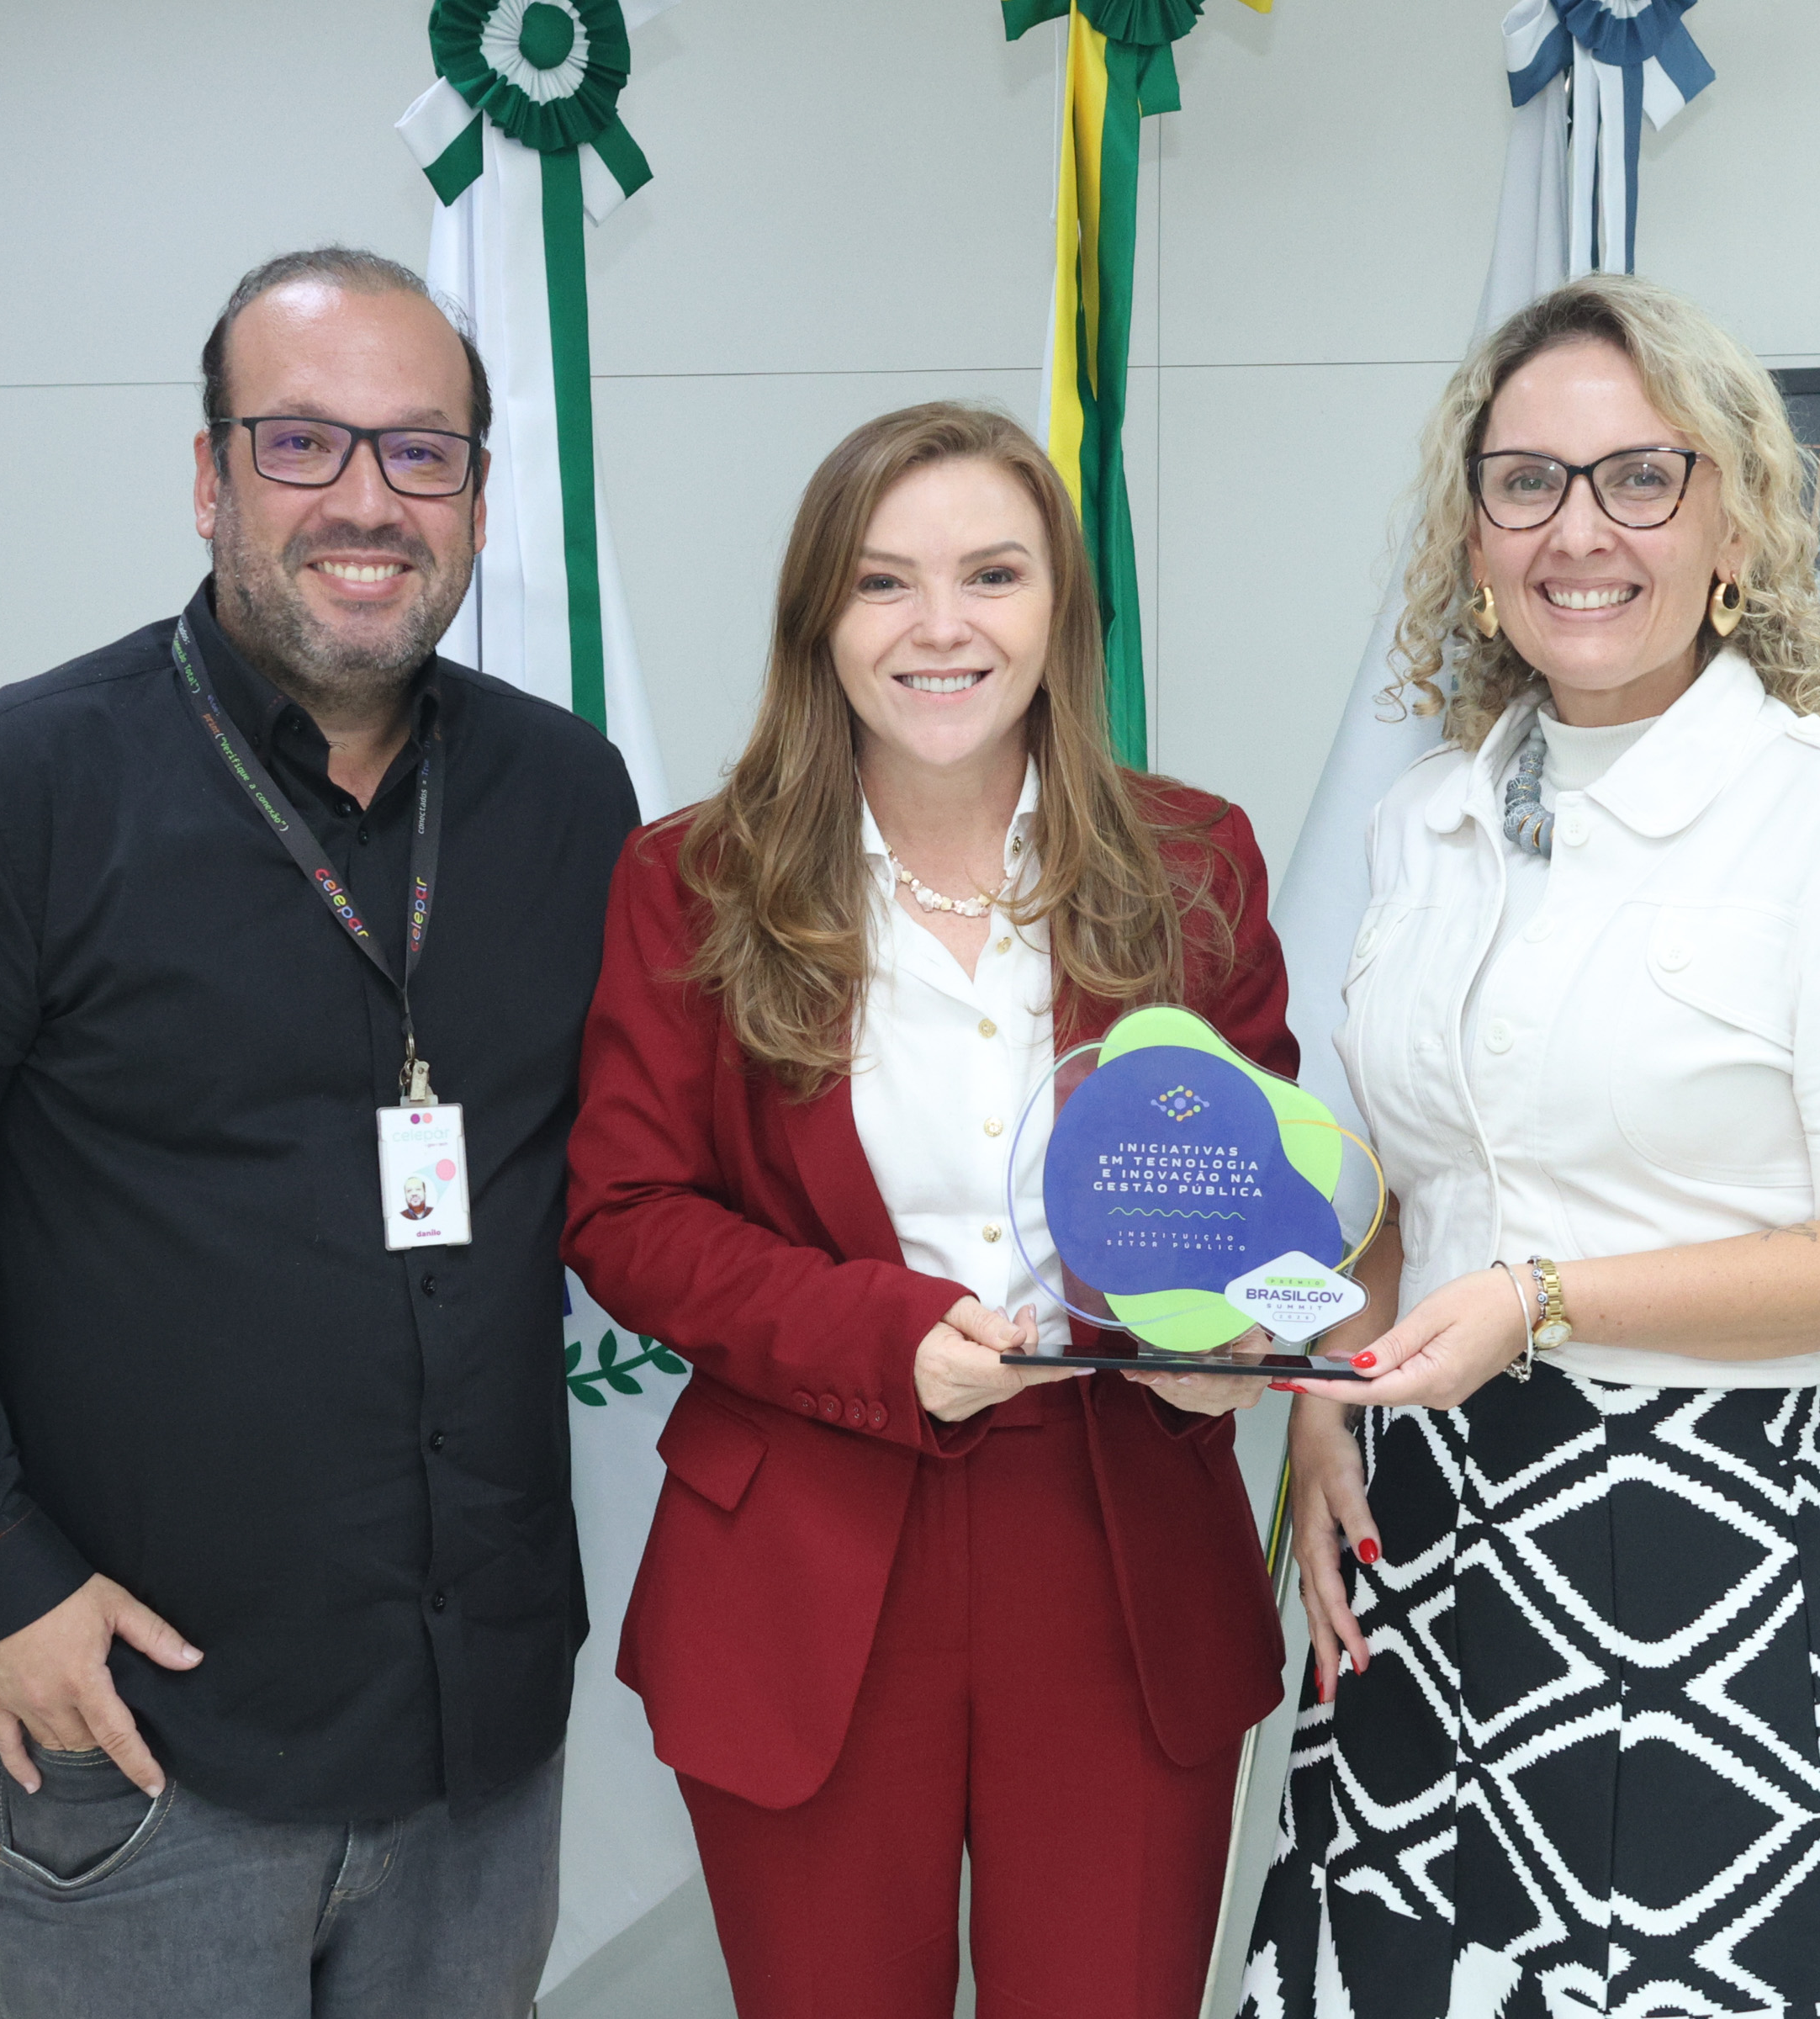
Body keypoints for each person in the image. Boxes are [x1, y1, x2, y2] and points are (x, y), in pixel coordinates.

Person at [0, 246, 638, 2018]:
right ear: (208, 473)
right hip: (145, 1737)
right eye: (304, 444)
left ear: (476, 489)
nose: (369, 502)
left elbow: (650, 1167)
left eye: (423, 452)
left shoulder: (567, 796)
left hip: (479, 1738)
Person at [1241, 275, 1820, 2019]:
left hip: (1690, 1543)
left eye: (1640, 479)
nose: (1581, 533)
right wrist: (1315, 1400)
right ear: (1475, 530)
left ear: (1731, 516)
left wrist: (1547, 1298)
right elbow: (1407, 1187)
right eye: (1528, 482)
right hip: (1417, 1538)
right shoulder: (1425, 821)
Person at [565, 402, 1290, 2018]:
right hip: (807, 1569)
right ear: (820, 621)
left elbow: (1260, 1209)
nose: (944, 627)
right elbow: (624, 1211)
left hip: (1121, 1553)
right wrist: (886, 1339)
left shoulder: (1194, 864)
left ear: (1058, 611)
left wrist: (1230, 1338)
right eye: (887, 583)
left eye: (993, 574)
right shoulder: (692, 880)